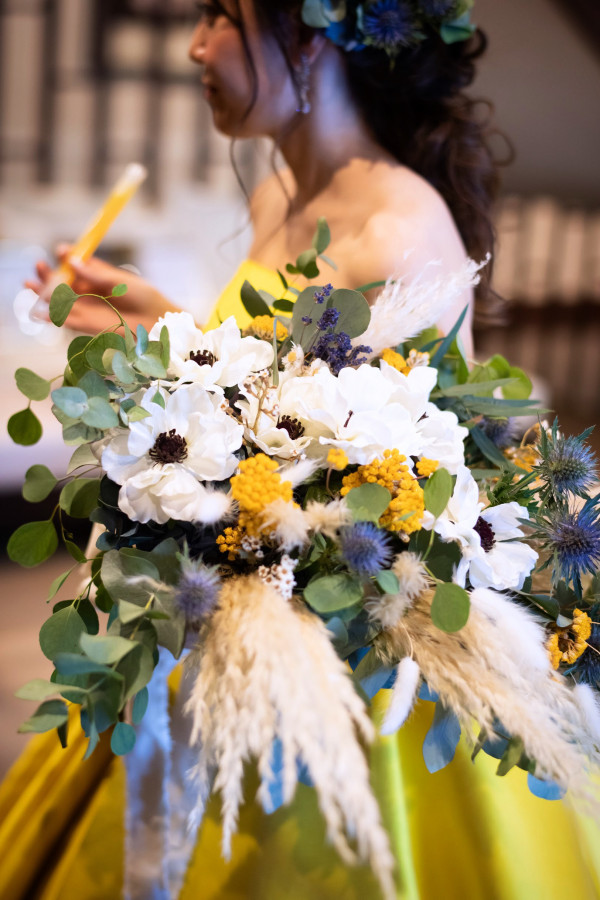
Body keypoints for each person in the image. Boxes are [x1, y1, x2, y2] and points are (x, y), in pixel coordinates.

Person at [9, 2, 598, 899]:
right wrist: (160, 325)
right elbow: (282, 379)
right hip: (238, 584)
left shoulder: (396, 231)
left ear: (312, 38)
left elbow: (356, 464)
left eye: (221, 16)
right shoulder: (281, 192)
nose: (198, 45)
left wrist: (176, 346)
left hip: (351, 617)